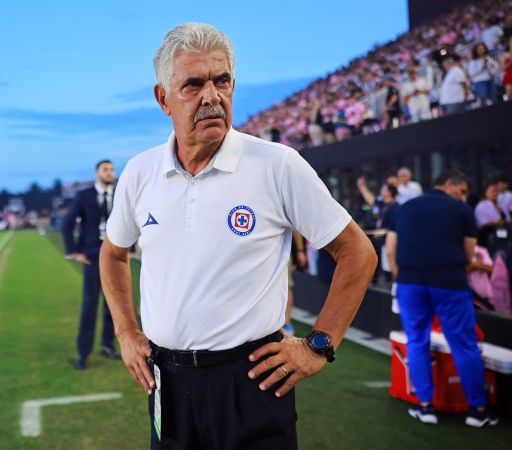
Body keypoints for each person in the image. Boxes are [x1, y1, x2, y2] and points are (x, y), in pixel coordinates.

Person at [99, 22, 377, 449]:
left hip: (252, 382)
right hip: (167, 384)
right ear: (162, 99)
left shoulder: (276, 165)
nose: (211, 96)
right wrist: (125, 332)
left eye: (222, 80)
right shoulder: (140, 173)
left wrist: (319, 344)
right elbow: (113, 253)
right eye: (193, 84)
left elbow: (357, 252)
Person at [385, 170, 499, 428]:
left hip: (410, 283)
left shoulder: (404, 208)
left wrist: (402, 277)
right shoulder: (461, 210)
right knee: (464, 344)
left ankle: (425, 406)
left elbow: (390, 249)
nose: (463, 196)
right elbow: (469, 255)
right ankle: (477, 411)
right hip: (450, 283)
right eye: (461, 191)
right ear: (450, 184)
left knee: (417, 341)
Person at [62, 160, 121, 370]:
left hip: (115, 258)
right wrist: (74, 251)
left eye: (112, 169)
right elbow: (67, 223)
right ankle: (83, 352)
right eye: (106, 170)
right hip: (93, 257)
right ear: (97, 173)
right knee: (90, 306)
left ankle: (108, 345)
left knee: (112, 306)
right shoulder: (84, 195)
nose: (110, 173)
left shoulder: (120, 192)